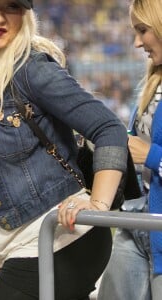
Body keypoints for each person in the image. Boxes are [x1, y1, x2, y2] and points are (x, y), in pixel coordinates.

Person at [0, 0, 128, 299]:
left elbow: (109, 128)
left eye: (12, 6)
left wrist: (97, 207)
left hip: (63, 240)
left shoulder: (33, 70)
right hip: (17, 247)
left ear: (25, 14)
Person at [98, 0, 162, 299]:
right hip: (136, 225)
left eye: (143, 30)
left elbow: (147, 152)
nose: (137, 42)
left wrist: (149, 155)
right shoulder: (152, 81)